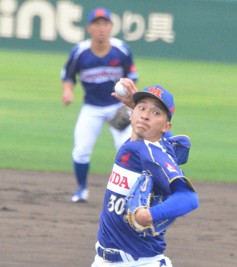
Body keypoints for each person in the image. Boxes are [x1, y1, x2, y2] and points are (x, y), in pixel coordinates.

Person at [91, 80, 199, 266]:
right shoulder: (147, 142)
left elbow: (189, 198)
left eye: (156, 112)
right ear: (132, 113)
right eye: (141, 109)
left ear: (166, 127)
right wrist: (143, 111)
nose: (146, 116)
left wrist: (149, 215)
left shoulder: (151, 153)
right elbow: (151, 127)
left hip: (140, 262)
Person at [60, 7, 138, 202]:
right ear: (89, 28)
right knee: (81, 150)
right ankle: (81, 190)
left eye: (105, 24)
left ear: (111, 27)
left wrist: (131, 105)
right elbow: (68, 76)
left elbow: (132, 79)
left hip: (117, 107)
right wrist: (68, 91)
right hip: (92, 108)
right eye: (97, 24)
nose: (101, 28)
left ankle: (130, 193)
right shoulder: (80, 52)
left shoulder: (121, 50)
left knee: (127, 149)